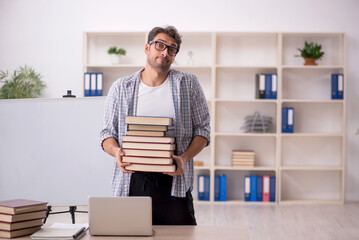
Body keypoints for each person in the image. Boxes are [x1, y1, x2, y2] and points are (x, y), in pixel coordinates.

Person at [100, 25, 210, 225]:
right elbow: (107, 133)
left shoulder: (189, 84)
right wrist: (116, 152)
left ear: (175, 55)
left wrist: (184, 159)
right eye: (160, 45)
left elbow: (203, 130)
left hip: (175, 182)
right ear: (147, 48)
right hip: (131, 182)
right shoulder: (121, 87)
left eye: (172, 48)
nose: (165, 52)